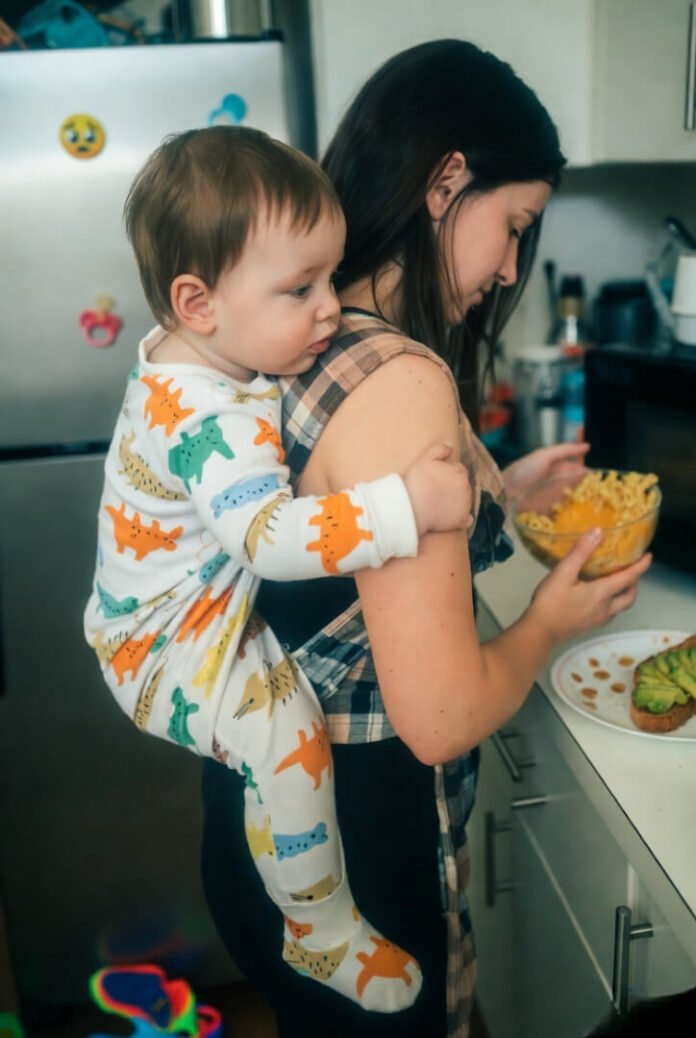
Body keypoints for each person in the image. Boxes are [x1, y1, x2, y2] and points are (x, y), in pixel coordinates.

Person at [199, 40, 652, 1038]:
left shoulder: (300, 328)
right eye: (514, 226)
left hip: (261, 828)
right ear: (449, 178)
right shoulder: (400, 377)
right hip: (362, 854)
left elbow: (340, 521)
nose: (509, 268)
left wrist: (499, 488)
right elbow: (441, 716)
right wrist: (548, 620)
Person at [83, 126, 475, 1014]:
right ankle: (321, 933)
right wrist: (406, 506)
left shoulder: (209, 357)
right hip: (164, 647)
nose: (331, 306)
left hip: (176, 617)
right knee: (289, 735)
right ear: (199, 302)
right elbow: (269, 539)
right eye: (300, 288)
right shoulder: (203, 415)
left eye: (330, 277)